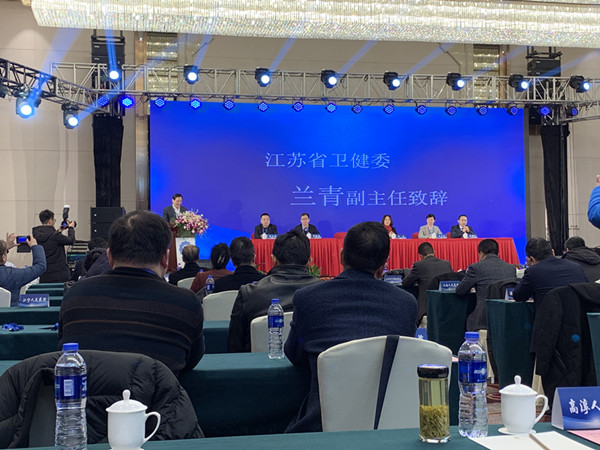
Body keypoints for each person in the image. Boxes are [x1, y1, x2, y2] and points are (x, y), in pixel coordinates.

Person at [284, 222, 418, 433]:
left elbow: (295, 355)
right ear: (383, 266)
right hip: (388, 426)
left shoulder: (308, 298)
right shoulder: (406, 303)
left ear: (341, 256)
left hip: (322, 426)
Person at [58, 210, 205, 376]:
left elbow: (65, 353)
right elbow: (190, 360)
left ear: (109, 256)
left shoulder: (75, 296)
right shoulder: (186, 303)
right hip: (157, 392)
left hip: (90, 392)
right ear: (165, 258)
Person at [227, 230, 321, 353]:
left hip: (260, 364)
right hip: (309, 364)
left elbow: (234, 347)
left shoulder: (249, 293)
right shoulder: (325, 293)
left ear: (274, 260)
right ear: (309, 262)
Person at [455, 239, 517, 331]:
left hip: (484, 318)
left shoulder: (475, 268)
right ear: (498, 253)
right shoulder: (511, 268)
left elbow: (460, 291)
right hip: (507, 316)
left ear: (481, 253)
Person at [513, 238, 588, 312]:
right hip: (578, 317)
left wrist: (532, 266)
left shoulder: (533, 271)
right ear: (553, 252)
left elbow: (518, 296)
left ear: (531, 259)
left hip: (549, 318)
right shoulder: (576, 267)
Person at [402, 242, 453, 326]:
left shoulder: (419, 265)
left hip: (427, 311)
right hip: (446, 310)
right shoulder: (447, 264)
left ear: (420, 256)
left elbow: (405, 283)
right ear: (434, 252)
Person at [0, 233, 46, 307]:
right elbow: (40, 266)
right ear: (3, 257)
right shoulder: (13, 274)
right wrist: (35, 246)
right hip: (9, 314)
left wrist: (5, 249)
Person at [32, 209, 75, 283]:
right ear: (50, 221)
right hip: (59, 275)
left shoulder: (36, 235)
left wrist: (59, 230)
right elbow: (71, 240)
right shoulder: (56, 236)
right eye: (54, 220)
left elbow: (50, 238)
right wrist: (71, 228)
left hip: (44, 274)